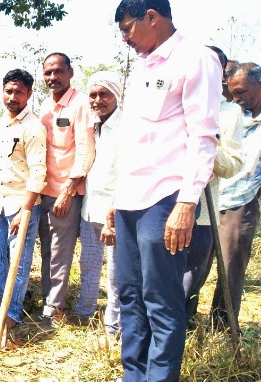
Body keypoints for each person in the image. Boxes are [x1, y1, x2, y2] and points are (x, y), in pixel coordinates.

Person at [107, 1, 222, 380]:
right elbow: (136, 142)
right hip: (129, 201)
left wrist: (187, 203)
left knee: (161, 301)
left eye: (127, 29)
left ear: (152, 17)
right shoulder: (143, 67)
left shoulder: (196, 59)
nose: (125, 38)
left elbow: (203, 137)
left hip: (164, 200)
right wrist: (115, 200)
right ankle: (133, 375)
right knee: (130, 297)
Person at [182, 46, 244, 325]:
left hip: (203, 213)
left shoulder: (231, 114)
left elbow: (232, 165)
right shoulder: (175, 104)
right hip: (163, 206)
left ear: (221, 75)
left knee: (189, 282)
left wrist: (207, 145)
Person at [0, 69, 47, 342]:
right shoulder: (1, 123)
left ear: (29, 94)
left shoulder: (33, 127)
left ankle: (13, 313)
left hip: (21, 204)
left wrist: (26, 210)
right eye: (9, 91)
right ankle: (3, 303)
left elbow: (38, 172)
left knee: (18, 263)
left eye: (19, 92)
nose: (12, 97)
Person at [37, 52, 95, 324]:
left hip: (65, 193)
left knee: (61, 250)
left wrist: (68, 191)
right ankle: (48, 297)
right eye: (48, 72)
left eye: (58, 71)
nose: (52, 77)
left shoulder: (81, 104)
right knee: (47, 249)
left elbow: (85, 149)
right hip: (44, 190)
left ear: (70, 72)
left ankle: (54, 307)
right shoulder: (45, 107)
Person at [210, 62, 261, 328]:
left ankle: (222, 326)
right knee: (195, 268)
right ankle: (186, 321)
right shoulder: (229, 113)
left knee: (230, 272)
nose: (236, 97)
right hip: (210, 196)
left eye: (241, 91)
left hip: (239, 202)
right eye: (232, 92)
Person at [78, 71, 123, 331]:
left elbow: (127, 175)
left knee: (116, 275)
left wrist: (114, 218)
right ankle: (85, 311)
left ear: (116, 96)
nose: (97, 100)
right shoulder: (94, 125)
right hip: (90, 209)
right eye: (93, 95)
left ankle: (113, 326)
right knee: (88, 264)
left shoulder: (126, 127)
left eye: (103, 94)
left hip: (114, 213)